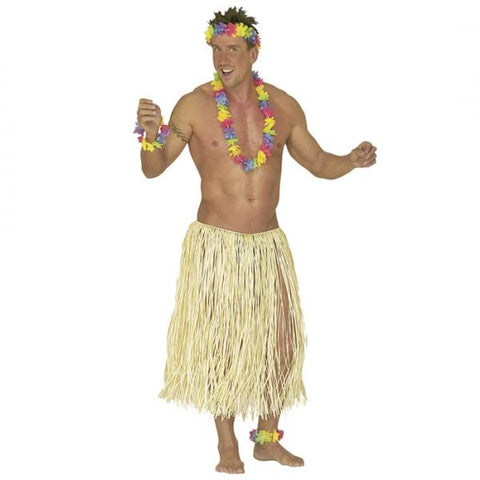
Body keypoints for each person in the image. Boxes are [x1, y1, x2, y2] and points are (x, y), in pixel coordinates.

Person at [134, 6, 377, 475]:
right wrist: (149, 136)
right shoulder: (192, 106)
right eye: (216, 50)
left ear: (253, 52)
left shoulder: (283, 107)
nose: (222, 59)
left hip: (268, 247)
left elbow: (318, 163)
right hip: (217, 246)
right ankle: (227, 445)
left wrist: (350, 160)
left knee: (281, 343)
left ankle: (266, 440)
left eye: (232, 49)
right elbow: (154, 168)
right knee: (222, 345)